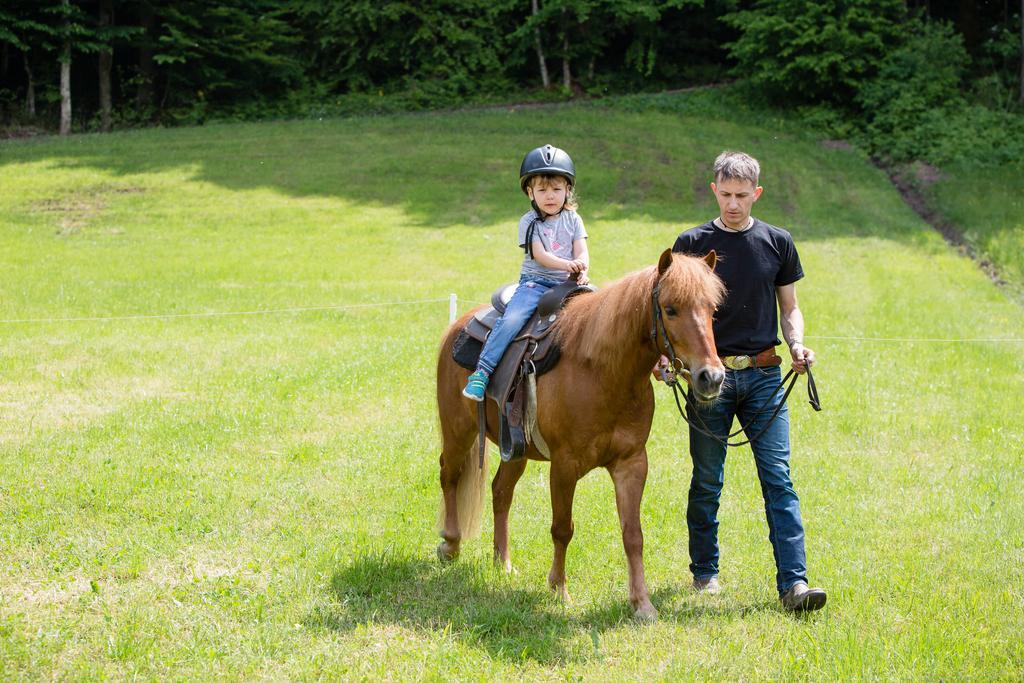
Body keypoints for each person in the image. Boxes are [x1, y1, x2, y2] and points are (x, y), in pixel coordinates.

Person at [667, 150, 826, 612]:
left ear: (756, 194)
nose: (733, 204)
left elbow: (789, 307)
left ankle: (794, 584)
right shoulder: (691, 242)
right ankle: (705, 573)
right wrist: (670, 362)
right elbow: (674, 311)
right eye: (725, 194)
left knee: (779, 479)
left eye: (742, 196)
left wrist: (796, 344)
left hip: (764, 375)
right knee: (707, 479)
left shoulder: (778, 242)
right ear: (713, 189)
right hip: (709, 379)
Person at [462, 144, 589, 401]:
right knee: (512, 320)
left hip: (569, 283)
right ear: (530, 192)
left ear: (568, 190)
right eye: (542, 190)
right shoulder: (528, 222)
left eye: (556, 189)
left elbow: (582, 251)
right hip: (536, 284)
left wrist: (582, 268)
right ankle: (483, 372)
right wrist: (567, 265)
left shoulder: (574, 220)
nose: (550, 196)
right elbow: (541, 256)